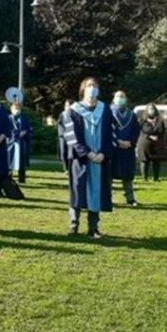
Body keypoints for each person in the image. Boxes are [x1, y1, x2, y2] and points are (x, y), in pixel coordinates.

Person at [62, 77, 114, 238]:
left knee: (97, 191)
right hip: (81, 159)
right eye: (89, 86)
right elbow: (71, 137)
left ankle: (93, 227)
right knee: (77, 190)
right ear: (83, 89)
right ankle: (74, 224)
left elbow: (110, 135)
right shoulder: (74, 110)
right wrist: (88, 153)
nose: (92, 89)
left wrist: (103, 153)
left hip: (100, 159)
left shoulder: (105, 110)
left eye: (95, 86)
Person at [110, 91, 140, 206]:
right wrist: (117, 141)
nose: (120, 98)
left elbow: (136, 130)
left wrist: (130, 142)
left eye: (122, 96)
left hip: (128, 149)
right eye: (117, 96)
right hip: (113, 148)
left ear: (126, 99)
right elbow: (106, 130)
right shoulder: (108, 113)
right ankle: (108, 198)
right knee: (109, 175)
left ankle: (130, 199)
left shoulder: (132, 115)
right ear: (113, 99)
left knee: (128, 175)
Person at [137, 103, 165, 182]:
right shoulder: (142, 120)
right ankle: (145, 178)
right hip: (145, 143)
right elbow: (143, 130)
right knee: (145, 161)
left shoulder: (159, 120)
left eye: (152, 108)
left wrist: (158, 137)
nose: (151, 110)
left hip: (156, 144)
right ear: (147, 110)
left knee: (156, 161)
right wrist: (150, 136)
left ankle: (156, 178)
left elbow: (162, 130)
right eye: (149, 109)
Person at [8, 102, 33, 183]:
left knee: (21, 162)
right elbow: (7, 130)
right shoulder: (8, 119)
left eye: (18, 109)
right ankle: (9, 177)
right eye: (15, 109)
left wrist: (26, 133)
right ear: (11, 110)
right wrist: (18, 134)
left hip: (22, 143)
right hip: (11, 143)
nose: (17, 111)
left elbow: (29, 129)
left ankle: (22, 179)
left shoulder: (24, 118)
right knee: (10, 160)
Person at [57, 100, 75, 172]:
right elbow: (60, 125)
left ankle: (71, 167)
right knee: (64, 152)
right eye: (67, 105)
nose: (68, 107)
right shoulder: (62, 114)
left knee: (71, 153)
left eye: (70, 105)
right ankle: (66, 168)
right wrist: (63, 134)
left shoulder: (75, 114)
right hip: (63, 136)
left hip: (72, 137)